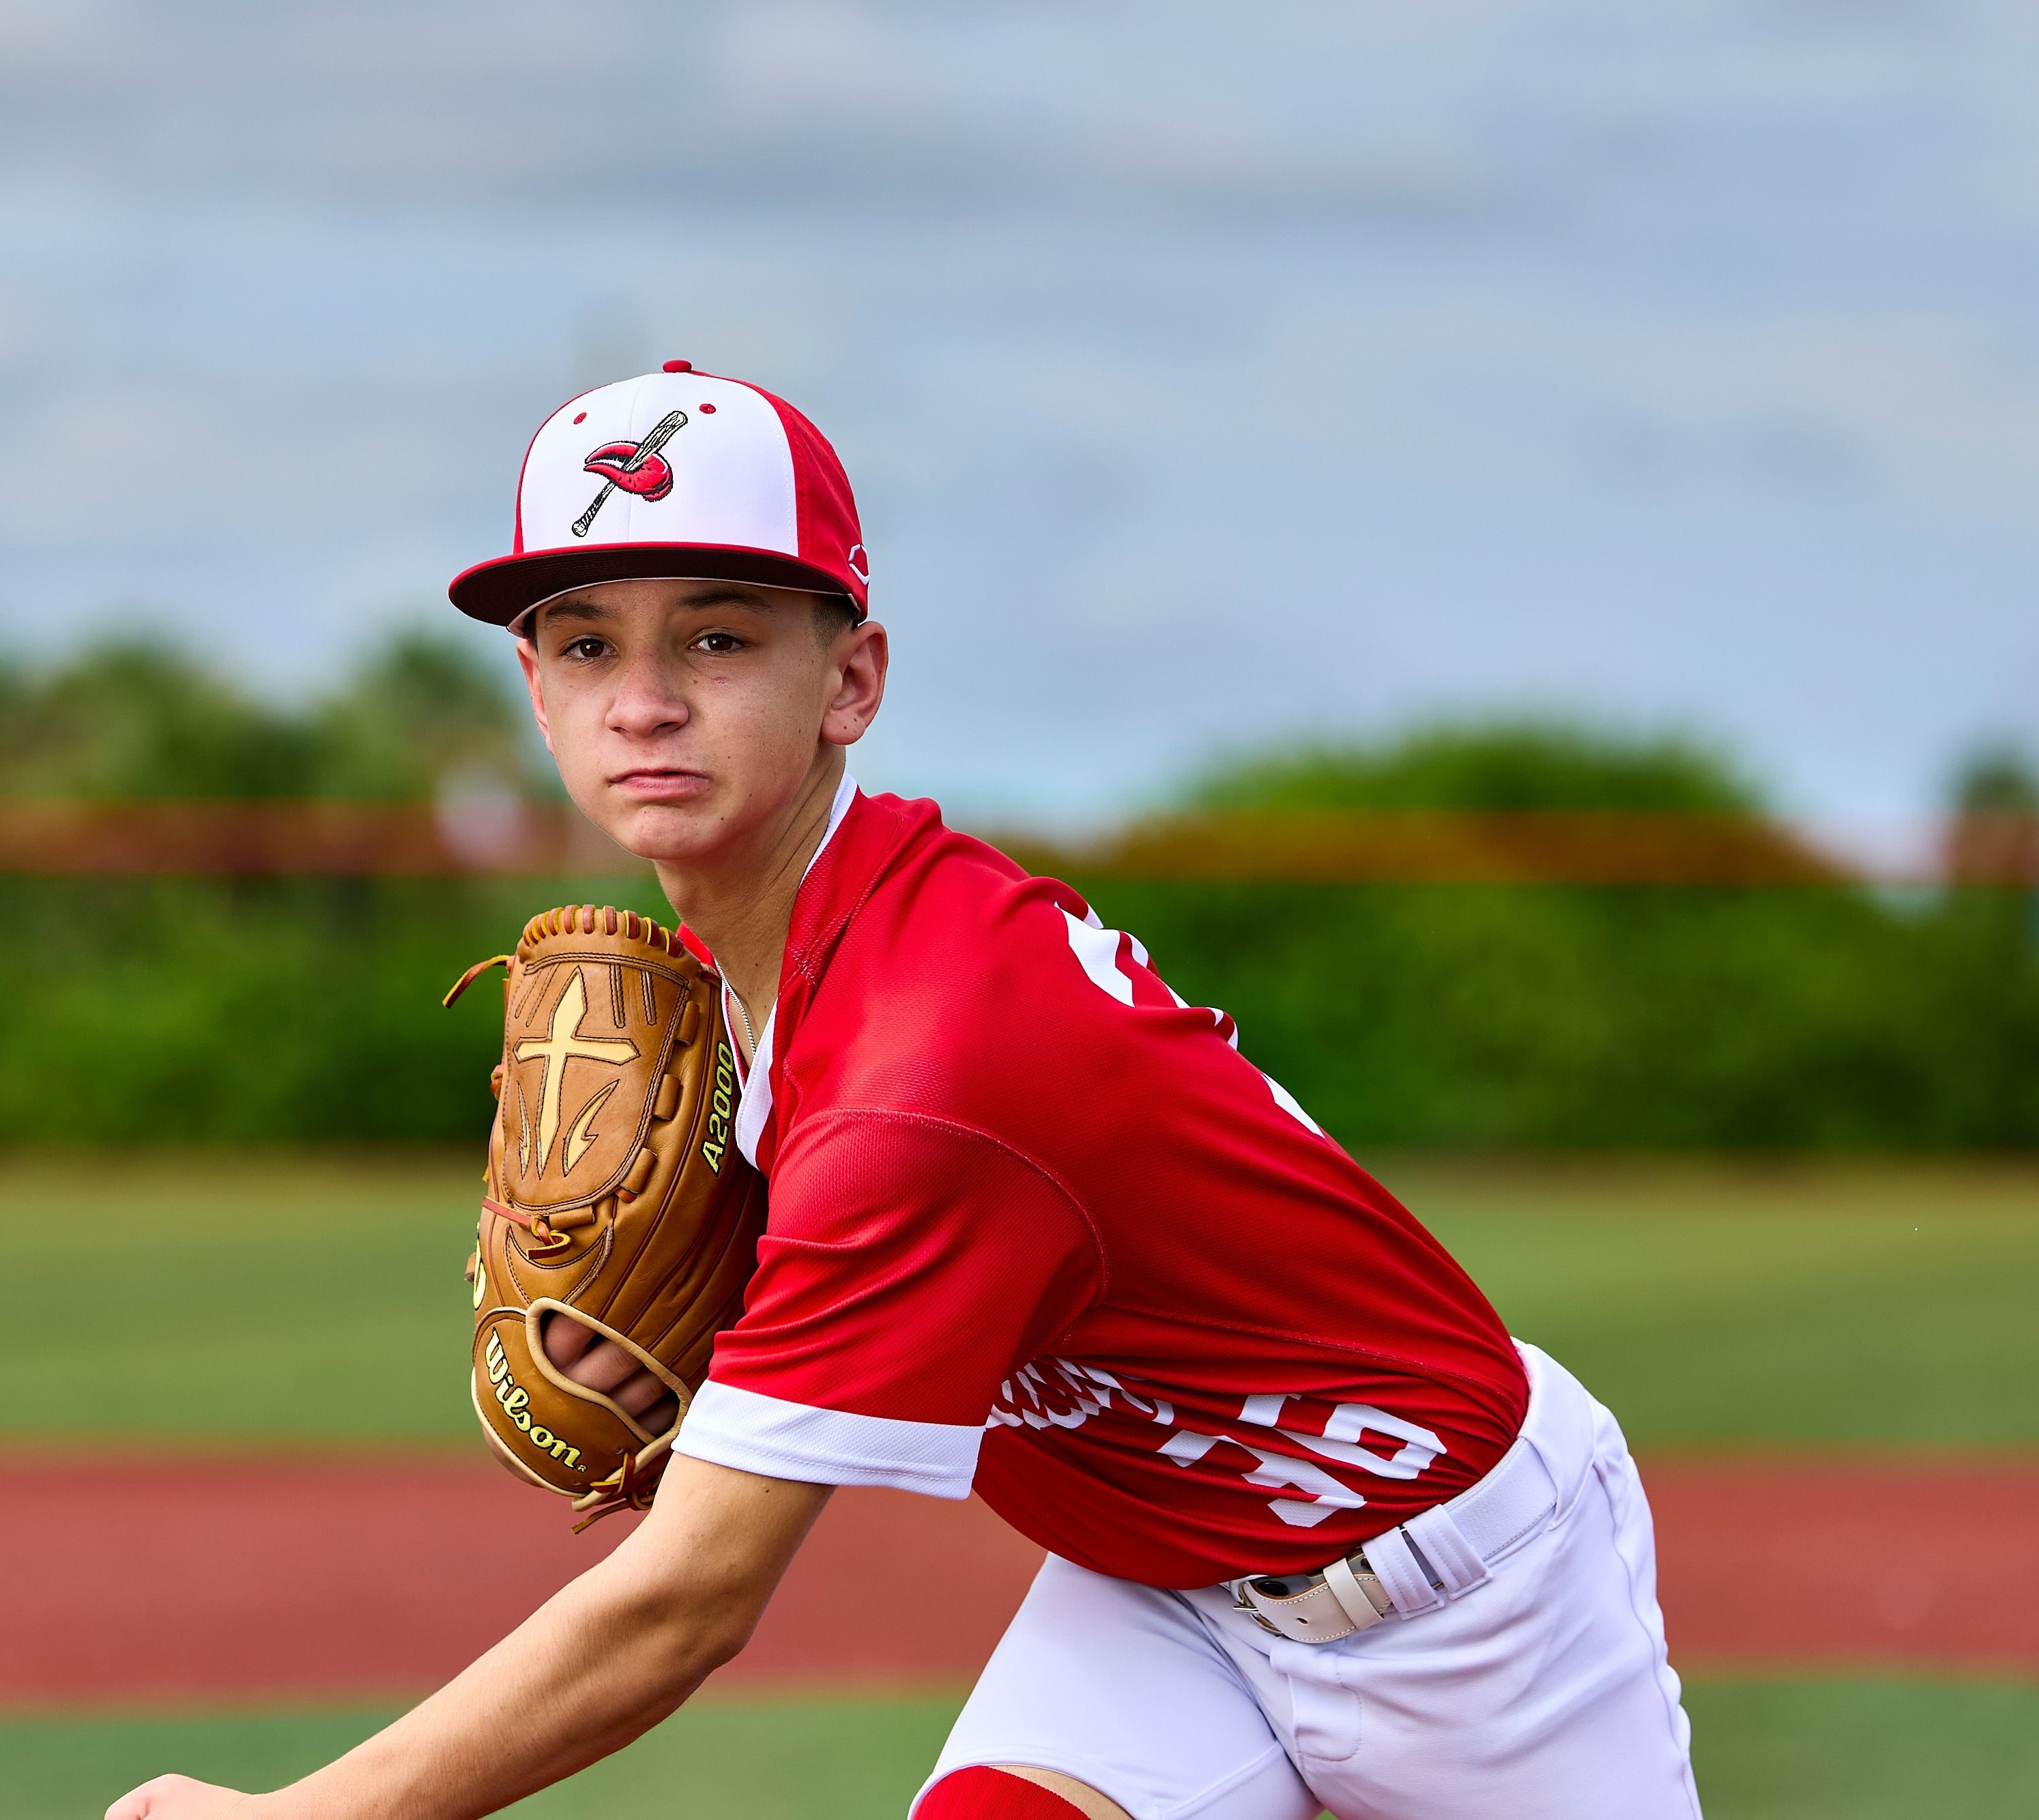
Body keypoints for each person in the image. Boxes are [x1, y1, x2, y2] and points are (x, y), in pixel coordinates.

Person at [109, 363, 1701, 1820]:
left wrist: (304, 1817)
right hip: (1163, 1586)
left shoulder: (920, 1070)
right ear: (534, 691)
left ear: (850, 681)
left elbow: (685, 1602)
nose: (641, 697)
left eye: (717, 635)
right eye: (586, 641)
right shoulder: (745, 977)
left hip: (1473, 1604)